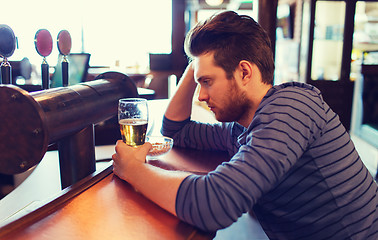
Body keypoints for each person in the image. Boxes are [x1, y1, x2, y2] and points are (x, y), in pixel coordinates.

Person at [112, 11, 378, 239]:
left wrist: (132, 168)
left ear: (244, 72)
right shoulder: (243, 128)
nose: (201, 95)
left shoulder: (293, 105)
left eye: (207, 82)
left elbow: (213, 205)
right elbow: (176, 129)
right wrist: (198, 65)